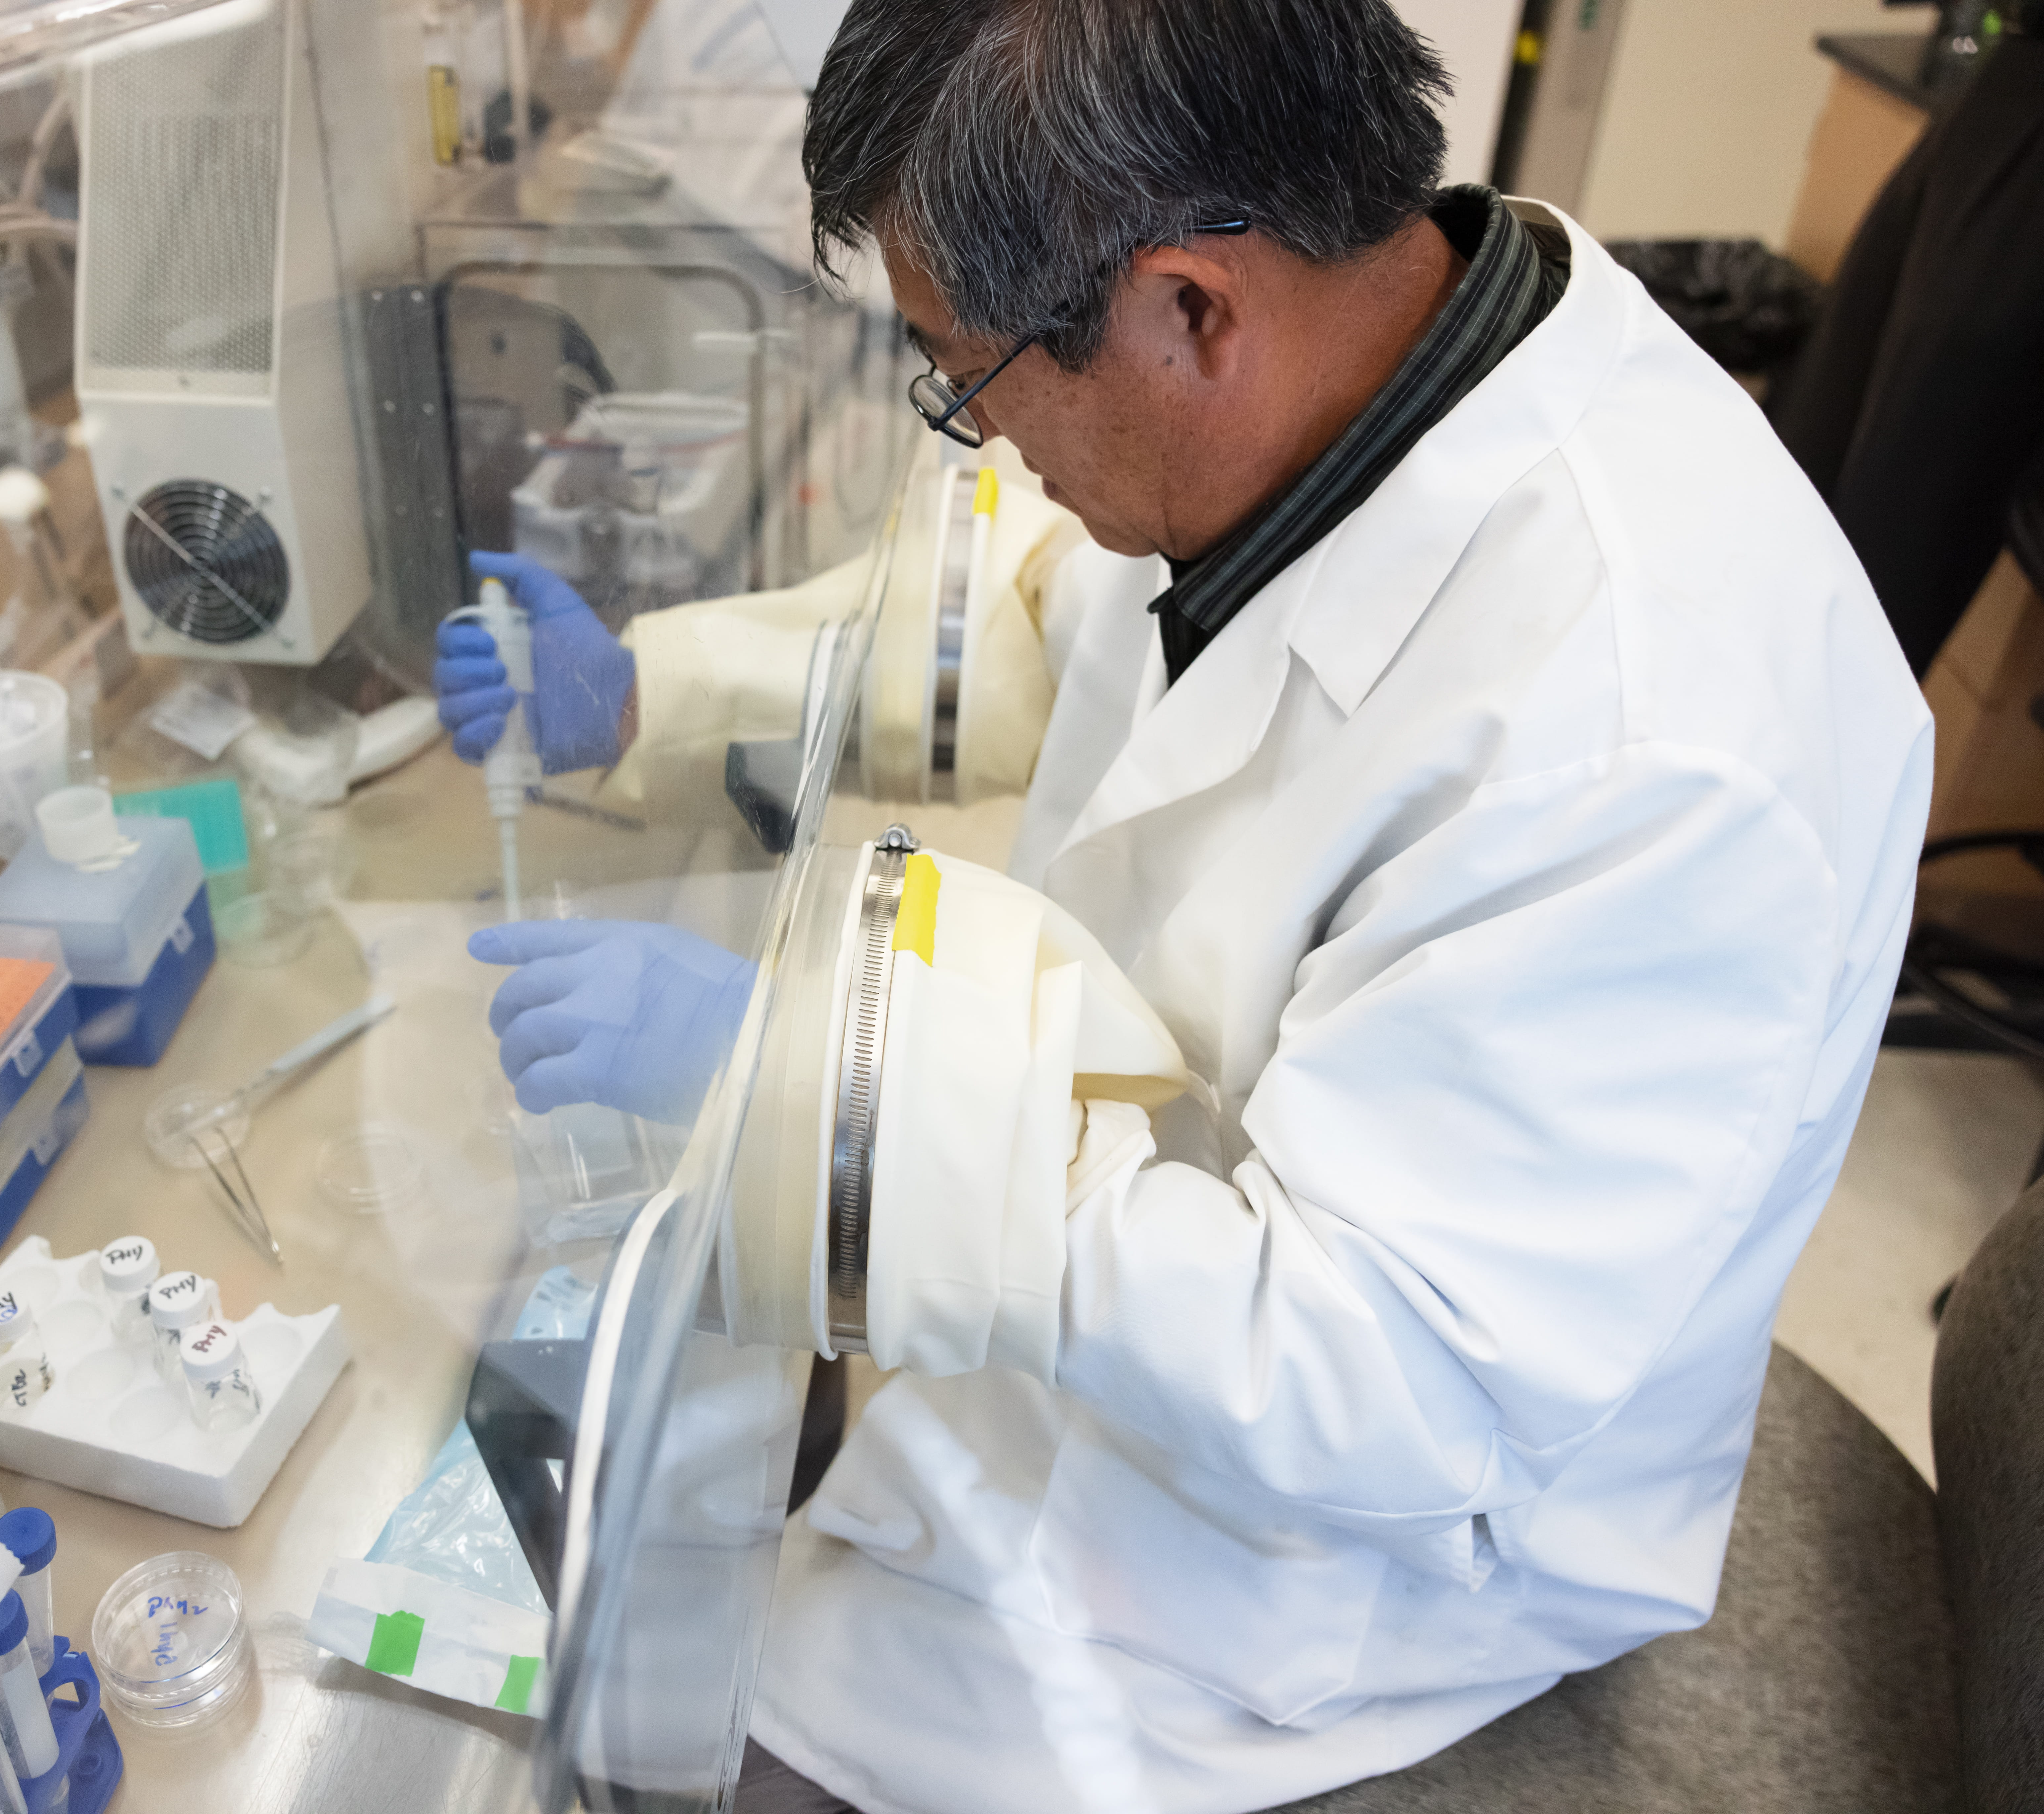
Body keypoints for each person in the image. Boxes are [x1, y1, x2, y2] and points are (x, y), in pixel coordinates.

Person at [438, 1, 1932, 1808]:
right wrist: (646, 701)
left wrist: (799, 1081)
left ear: (1191, 308)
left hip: (1335, 1549)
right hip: (1168, 1284)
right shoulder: (1373, 361)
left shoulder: (1646, 737)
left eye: (966, 380)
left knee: (656, 1747)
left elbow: (1374, 1373)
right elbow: (1032, 630)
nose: (981, 450)